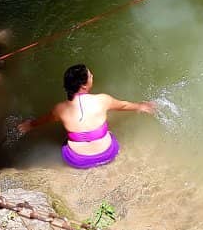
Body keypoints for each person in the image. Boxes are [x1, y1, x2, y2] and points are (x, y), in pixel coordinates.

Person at [16, 64, 156, 169]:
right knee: (107, 131)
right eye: (90, 76)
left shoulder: (60, 109)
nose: (92, 76)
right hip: (107, 154)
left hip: (78, 159)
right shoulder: (102, 100)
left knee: (67, 139)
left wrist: (30, 125)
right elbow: (124, 106)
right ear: (83, 85)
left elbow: (46, 120)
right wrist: (140, 106)